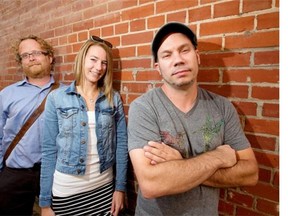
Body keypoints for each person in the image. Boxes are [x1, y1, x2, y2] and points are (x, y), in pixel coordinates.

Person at [128, 22, 259, 216]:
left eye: (184, 50)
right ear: (158, 67)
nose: (178, 60)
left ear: (197, 57)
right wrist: (219, 157)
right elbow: (151, 184)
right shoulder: (144, 108)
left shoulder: (222, 107)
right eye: (167, 55)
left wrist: (181, 162)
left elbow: (250, 173)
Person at [39, 36, 128, 216]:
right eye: (93, 60)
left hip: (104, 189)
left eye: (104, 63)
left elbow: (121, 145)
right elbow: (48, 150)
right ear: (82, 59)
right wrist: (45, 203)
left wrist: (120, 188)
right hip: (67, 191)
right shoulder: (56, 98)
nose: (98, 67)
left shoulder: (113, 98)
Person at [0, 35, 58, 215]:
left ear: (49, 57)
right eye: (25, 55)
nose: (31, 58)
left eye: (36, 53)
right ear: (21, 62)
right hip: (15, 175)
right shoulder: (7, 94)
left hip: (55, 174)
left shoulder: (66, 93)